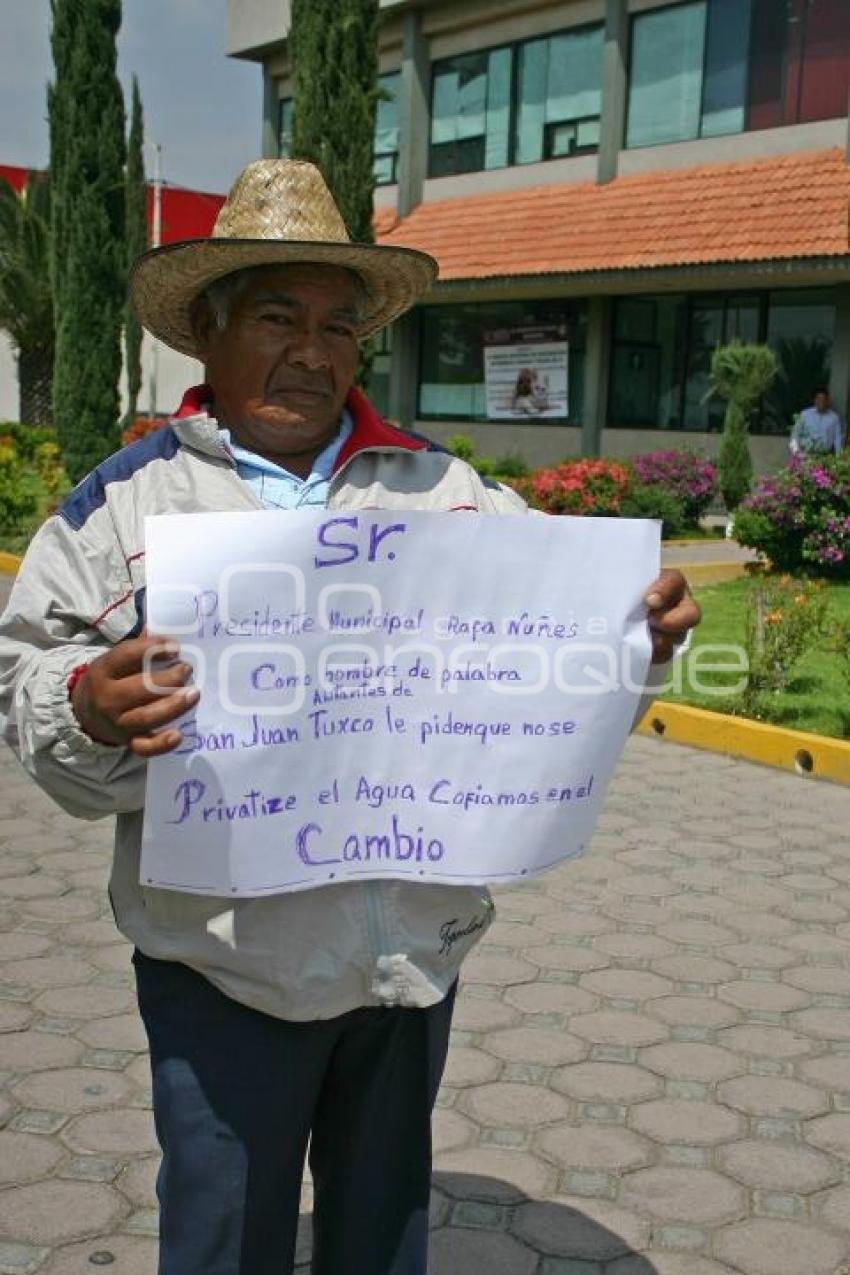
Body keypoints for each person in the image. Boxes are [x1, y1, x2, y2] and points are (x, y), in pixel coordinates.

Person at [0, 159, 700, 1275]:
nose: (312, 350)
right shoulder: (123, 507)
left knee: (380, 1238)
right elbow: (25, 681)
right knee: (227, 1237)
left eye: (338, 326)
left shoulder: (449, 495)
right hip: (222, 970)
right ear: (207, 337)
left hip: (407, 967)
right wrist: (85, 706)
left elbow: (562, 664)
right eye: (278, 316)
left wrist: (636, 639)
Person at [789, 387, 846, 456]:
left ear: (827, 401)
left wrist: (838, 459)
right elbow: (795, 434)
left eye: (823, 399)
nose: (821, 402)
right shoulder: (805, 415)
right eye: (818, 399)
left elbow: (838, 440)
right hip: (804, 455)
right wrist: (796, 453)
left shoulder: (834, 418)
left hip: (824, 457)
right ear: (814, 400)